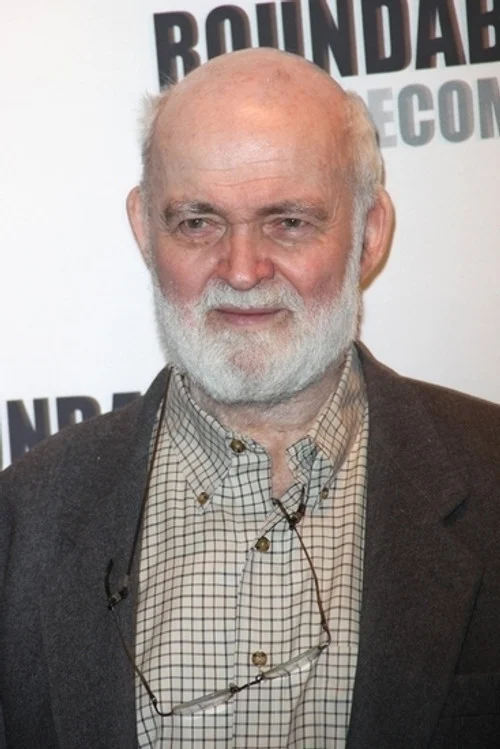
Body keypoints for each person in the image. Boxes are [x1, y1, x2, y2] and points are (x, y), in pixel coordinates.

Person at [1, 48, 499, 749]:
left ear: (369, 234)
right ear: (144, 229)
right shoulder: (23, 522)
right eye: (197, 222)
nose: (241, 270)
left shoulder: (489, 472)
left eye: (288, 222)